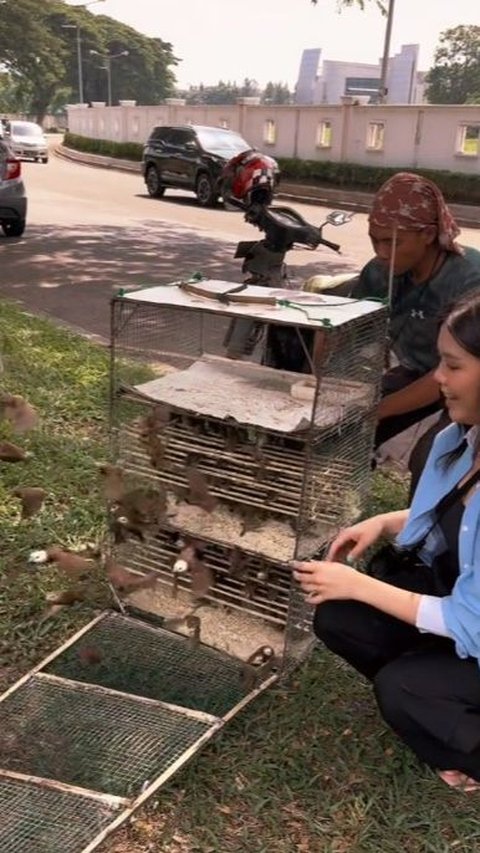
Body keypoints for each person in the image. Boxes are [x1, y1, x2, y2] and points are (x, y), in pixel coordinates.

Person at [292, 290, 480, 792]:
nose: (438, 377)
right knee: (341, 617)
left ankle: (456, 727)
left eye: (453, 365)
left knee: (402, 690)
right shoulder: (459, 438)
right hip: (465, 609)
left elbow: (472, 624)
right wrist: (384, 523)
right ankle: (446, 717)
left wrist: (357, 584)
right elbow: (456, 521)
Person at [344, 172, 480, 455]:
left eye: (393, 243)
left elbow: (457, 370)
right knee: (345, 427)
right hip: (420, 370)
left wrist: (380, 409)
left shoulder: (469, 280)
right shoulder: (379, 271)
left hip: (469, 378)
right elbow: (349, 332)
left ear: (428, 235)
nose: (381, 253)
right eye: (374, 240)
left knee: (433, 455)